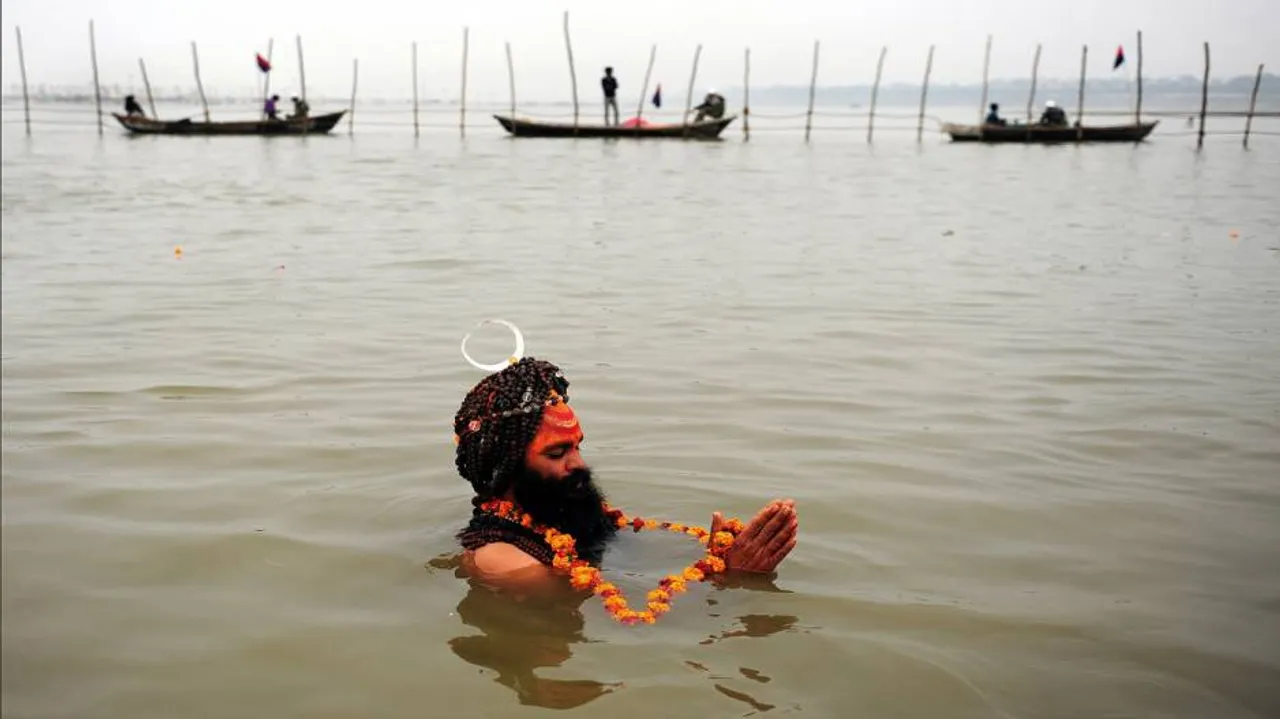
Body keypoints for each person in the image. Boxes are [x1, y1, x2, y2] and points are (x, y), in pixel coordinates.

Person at [453, 357, 798, 595]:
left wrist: (714, 556)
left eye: (577, 447)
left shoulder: (557, 517)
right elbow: (629, 628)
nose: (579, 465)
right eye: (558, 453)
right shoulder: (508, 563)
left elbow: (626, 555)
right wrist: (733, 577)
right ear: (509, 469)